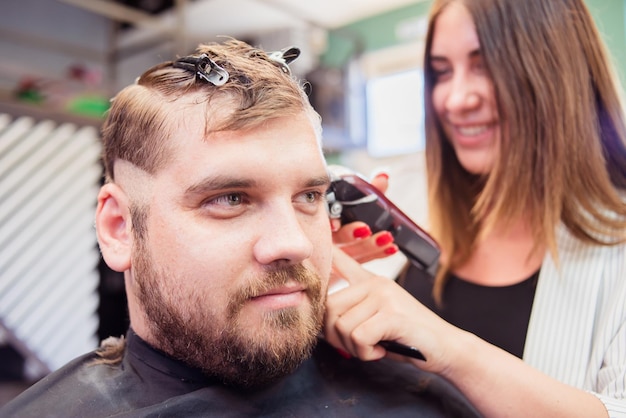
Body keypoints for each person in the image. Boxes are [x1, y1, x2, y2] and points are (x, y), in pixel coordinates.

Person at [1, 39, 481, 417]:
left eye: (308, 197)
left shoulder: (422, 388)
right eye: (230, 199)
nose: (292, 242)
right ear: (119, 228)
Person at [326, 0, 626, 417]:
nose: (455, 99)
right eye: (442, 72)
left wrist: (447, 347)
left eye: (485, 65)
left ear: (558, 73)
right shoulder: (414, 200)